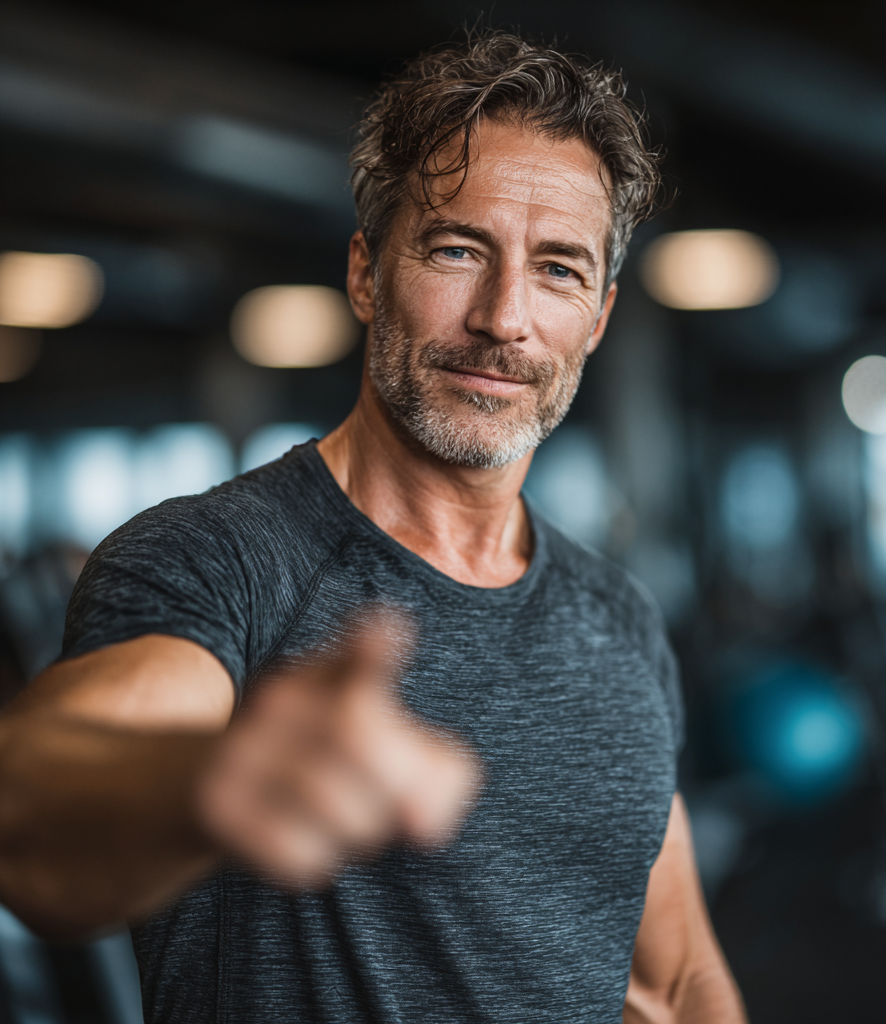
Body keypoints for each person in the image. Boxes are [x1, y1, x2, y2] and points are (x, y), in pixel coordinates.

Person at [0, 32, 745, 1024]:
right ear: (364, 273)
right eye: (456, 249)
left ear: (598, 318)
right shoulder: (215, 560)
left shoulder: (617, 618)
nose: (502, 317)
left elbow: (677, 980)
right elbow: (33, 817)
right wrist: (209, 778)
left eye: (558, 270)